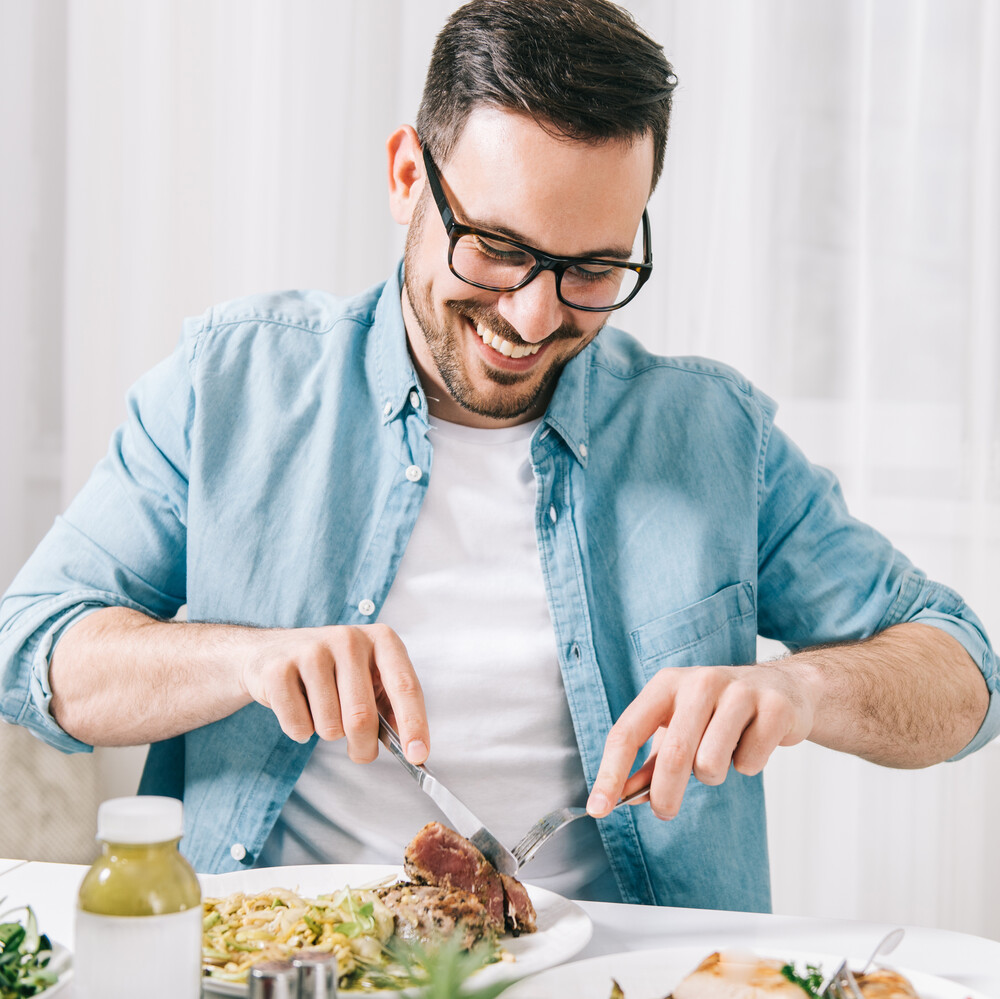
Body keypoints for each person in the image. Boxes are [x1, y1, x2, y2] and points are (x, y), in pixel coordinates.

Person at [1, 0, 997, 912]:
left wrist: (799, 692)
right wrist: (248, 661)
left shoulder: (711, 438)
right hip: (278, 964)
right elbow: (34, 653)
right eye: (495, 246)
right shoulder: (229, 387)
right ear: (406, 177)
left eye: (592, 269)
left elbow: (964, 680)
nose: (531, 315)